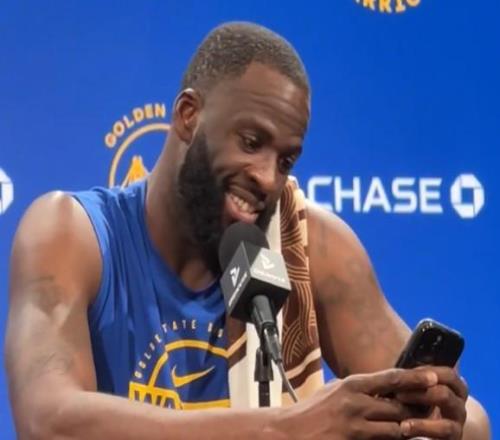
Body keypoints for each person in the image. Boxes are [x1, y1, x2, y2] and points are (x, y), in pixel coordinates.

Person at [5, 22, 490, 440]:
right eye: (252, 142)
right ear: (189, 116)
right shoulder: (72, 234)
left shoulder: (308, 247)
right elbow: (48, 421)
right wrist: (287, 428)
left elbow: (474, 424)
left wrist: (441, 414)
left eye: (286, 160)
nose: (267, 178)